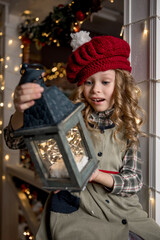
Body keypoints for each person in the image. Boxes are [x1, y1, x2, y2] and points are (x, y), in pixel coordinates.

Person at [4, 31, 160, 240]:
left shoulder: (127, 127)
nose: (96, 90)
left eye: (105, 82)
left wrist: (96, 175)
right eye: (89, 82)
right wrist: (22, 112)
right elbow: (14, 141)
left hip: (124, 212)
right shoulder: (69, 115)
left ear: (119, 84)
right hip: (78, 212)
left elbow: (133, 181)